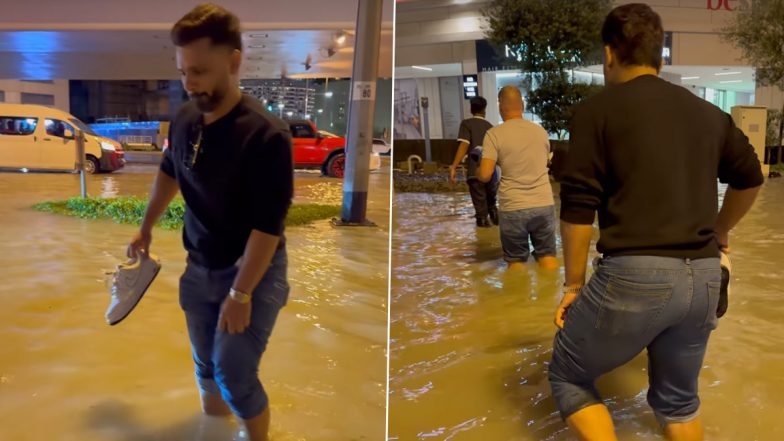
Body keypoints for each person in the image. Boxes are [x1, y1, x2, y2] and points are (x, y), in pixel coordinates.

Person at [548, 4, 764, 441]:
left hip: (635, 276)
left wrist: (573, 287)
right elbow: (751, 178)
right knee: (678, 404)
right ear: (659, 56)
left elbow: (577, 209)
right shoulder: (707, 113)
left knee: (568, 376)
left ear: (609, 53)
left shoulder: (596, 112)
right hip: (704, 280)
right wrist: (720, 232)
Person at [126, 4, 293, 441]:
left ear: (233, 61)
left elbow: (267, 227)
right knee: (205, 367)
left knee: (233, 372)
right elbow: (169, 172)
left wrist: (241, 293)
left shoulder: (265, 135)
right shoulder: (184, 119)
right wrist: (145, 228)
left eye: (199, 70)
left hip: (253, 272)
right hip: (198, 267)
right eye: (183, 72)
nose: (190, 82)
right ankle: (212, 431)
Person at [476, 86, 558, 270]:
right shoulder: (540, 131)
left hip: (513, 206)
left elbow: (485, 175)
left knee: (517, 263)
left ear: (500, 107)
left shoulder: (494, 134)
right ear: (522, 105)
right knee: (547, 258)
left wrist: (477, 171)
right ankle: (553, 298)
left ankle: (518, 298)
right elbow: (545, 163)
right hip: (543, 203)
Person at [449, 96, 497, 227]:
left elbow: (464, 145)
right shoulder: (490, 127)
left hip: (474, 171)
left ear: (471, 109)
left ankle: (481, 238)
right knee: (492, 205)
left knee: (481, 211)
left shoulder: (467, 124)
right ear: (484, 110)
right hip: (491, 172)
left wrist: (454, 166)